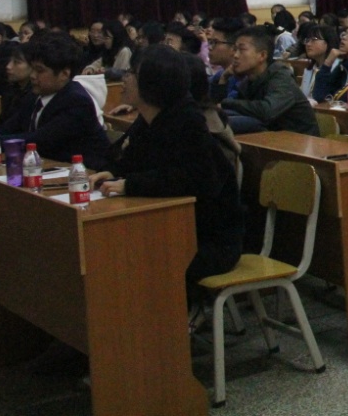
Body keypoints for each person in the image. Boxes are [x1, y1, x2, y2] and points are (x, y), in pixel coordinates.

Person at [89, 45, 243, 303]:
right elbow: (131, 160)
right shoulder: (148, 118)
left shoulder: (188, 120)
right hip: (167, 227)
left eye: (131, 73)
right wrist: (111, 172)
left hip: (208, 239)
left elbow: (196, 179)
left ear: (152, 82)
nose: (124, 79)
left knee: (131, 261)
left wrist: (130, 184)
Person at [0, 33, 111, 170]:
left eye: (40, 70)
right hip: (48, 168)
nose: (32, 76)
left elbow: (39, 140)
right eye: (32, 69)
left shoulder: (77, 102)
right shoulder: (34, 96)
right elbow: (7, 128)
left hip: (85, 174)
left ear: (64, 74)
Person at [220, 28, 320, 135]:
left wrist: (226, 103)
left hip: (300, 140)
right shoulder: (248, 80)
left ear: (262, 55)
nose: (235, 55)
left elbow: (268, 111)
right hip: (270, 137)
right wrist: (223, 79)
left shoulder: (281, 77)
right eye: (235, 50)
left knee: (222, 124)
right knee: (219, 119)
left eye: (242, 50)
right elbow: (229, 108)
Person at [297, 23, 340, 103]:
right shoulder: (310, 68)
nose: (308, 44)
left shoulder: (338, 68)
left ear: (328, 42)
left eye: (314, 39)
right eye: (307, 40)